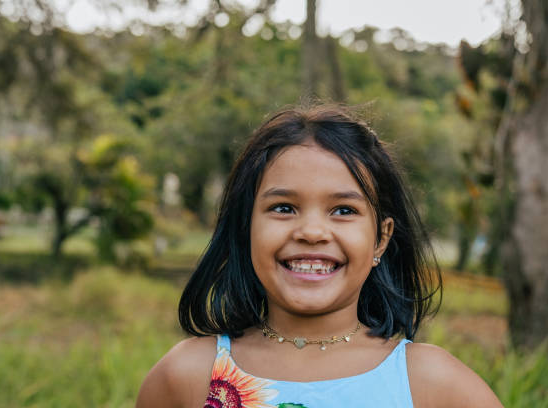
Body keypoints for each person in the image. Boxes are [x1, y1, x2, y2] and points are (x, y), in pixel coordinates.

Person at [136, 105, 503, 407]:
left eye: (343, 210)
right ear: (246, 228)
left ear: (381, 239)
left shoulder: (432, 385)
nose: (311, 232)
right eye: (283, 207)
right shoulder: (187, 377)